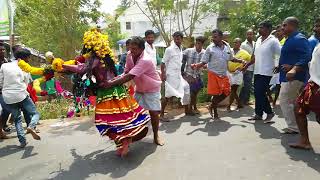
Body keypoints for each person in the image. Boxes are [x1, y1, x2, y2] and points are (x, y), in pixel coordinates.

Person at [63, 30, 151, 157]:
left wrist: (64, 65)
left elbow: (82, 69)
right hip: (117, 90)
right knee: (119, 120)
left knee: (105, 122)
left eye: (87, 46)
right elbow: (84, 65)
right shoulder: (105, 57)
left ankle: (124, 141)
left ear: (90, 46)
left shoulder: (96, 58)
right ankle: (122, 143)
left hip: (108, 91)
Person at [102, 36, 164, 146]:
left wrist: (110, 84)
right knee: (131, 113)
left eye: (134, 49)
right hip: (139, 88)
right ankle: (130, 136)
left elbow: (130, 76)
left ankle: (156, 135)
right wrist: (112, 81)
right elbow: (126, 72)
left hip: (151, 89)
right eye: (130, 48)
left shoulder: (146, 60)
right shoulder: (130, 55)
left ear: (141, 49)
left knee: (154, 113)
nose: (131, 51)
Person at [192, 29, 246, 119]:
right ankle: (215, 113)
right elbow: (204, 61)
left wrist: (240, 61)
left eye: (215, 37)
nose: (213, 39)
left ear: (221, 37)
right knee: (216, 94)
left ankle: (211, 106)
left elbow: (231, 58)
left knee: (227, 92)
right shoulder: (210, 48)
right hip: (213, 73)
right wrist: (197, 65)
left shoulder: (227, 46)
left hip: (223, 74)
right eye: (213, 37)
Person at [0, 48, 41, 147]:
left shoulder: (4, 66)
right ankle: (31, 126)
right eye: (28, 58)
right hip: (21, 94)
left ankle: (22, 141)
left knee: (17, 118)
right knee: (35, 113)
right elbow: (25, 83)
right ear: (24, 58)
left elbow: (1, 81)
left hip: (7, 97)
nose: (29, 60)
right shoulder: (25, 68)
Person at [277, 17, 311, 134]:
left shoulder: (299, 38)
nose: (282, 28)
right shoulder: (290, 39)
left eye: (284, 25)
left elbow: (307, 56)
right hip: (287, 76)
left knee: (285, 100)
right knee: (290, 101)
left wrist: (294, 68)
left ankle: (294, 127)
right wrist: (279, 66)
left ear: (292, 26)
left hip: (294, 77)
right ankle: (296, 125)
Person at [243, 21, 281, 123]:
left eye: (262, 27)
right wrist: (246, 65)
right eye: (259, 27)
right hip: (258, 70)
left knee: (259, 92)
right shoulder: (259, 40)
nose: (259, 29)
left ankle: (269, 113)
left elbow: (278, 54)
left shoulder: (274, 41)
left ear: (268, 29)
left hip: (267, 71)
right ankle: (258, 114)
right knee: (257, 93)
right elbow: (254, 56)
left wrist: (277, 65)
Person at [289, 44, 320, 150]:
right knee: (298, 107)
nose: (315, 28)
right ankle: (304, 141)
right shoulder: (318, 44)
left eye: (317, 26)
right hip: (313, 84)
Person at [161, 31, 193, 119]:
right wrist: (163, 74)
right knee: (168, 95)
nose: (177, 40)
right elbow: (163, 63)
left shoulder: (181, 49)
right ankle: (161, 115)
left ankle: (187, 110)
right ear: (173, 39)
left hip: (178, 75)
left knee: (186, 88)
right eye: (175, 38)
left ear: (182, 39)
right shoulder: (169, 49)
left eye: (178, 38)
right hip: (171, 76)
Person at [182, 36, 206, 114]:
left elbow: (206, 64)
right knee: (190, 93)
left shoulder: (205, 53)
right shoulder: (188, 51)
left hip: (198, 76)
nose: (197, 45)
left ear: (202, 44)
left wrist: (204, 66)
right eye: (196, 43)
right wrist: (183, 74)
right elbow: (182, 61)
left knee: (195, 93)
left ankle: (194, 107)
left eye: (199, 43)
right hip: (189, 75)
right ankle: (189, 109)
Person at [227, 38, 251, 111]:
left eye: (237, 42)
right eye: (234, 42)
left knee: (233, 89)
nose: (235, 43)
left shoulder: (244, 53)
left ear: (240, 44)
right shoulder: (229, 51)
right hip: (228, 72)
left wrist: (244, 68)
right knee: (231, 89)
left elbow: (250, 60)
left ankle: (229, 106)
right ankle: (239, 103)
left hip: (238, 73)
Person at [268, 25, 286, 106]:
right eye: (277, 31)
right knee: (268, 84)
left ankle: (275, 101)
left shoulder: (285, 41)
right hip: (271, 65)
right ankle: (270, 97)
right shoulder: (273, 41)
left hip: (280, 66)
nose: (278, 33)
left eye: (280, 31)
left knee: (278, 85)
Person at [239, 29, 255, 105]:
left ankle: (244, 100)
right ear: (246, 35)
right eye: (248, 34)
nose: (249, 35)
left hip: (253, 67)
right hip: (246, 67)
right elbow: (241, 56)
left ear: (253, 35)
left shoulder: (256, 44)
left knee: (247, 84)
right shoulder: (243, 44)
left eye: (251, 34)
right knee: (246, 84)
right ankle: (242, 100)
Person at [0, 42, 10, 139]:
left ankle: (2, 126)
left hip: (4, 90)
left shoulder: (7, 62)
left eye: (3, 50)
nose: (2, 51)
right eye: (0, 50)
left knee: (7, 109)